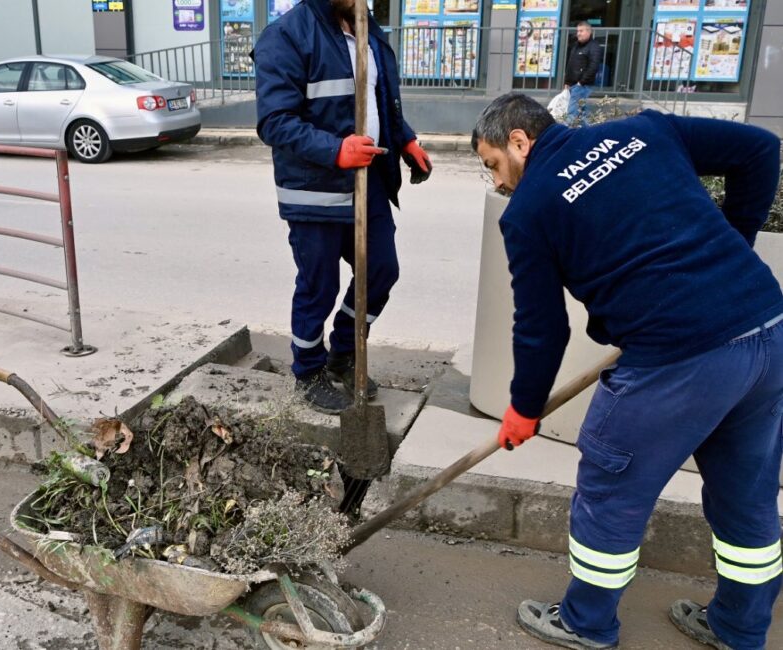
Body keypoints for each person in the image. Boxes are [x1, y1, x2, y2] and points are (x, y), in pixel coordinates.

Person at [473, 92, 782, 650]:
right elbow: (761, 150)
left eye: (493, 164)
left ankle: (587, 623)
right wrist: (734, 246)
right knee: (748, 495)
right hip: (766, 328)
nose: (497, 183)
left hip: (679, 357)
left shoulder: (530, 210)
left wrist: (522, 408)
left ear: (519, 141)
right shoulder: (645, 131)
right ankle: (739, 629)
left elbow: (542, 329)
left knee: (611, 487)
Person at [253, 0, 432, 414]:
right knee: (319, 286)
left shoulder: (368, 28)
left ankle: (345, 351)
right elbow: (275, 121)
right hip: (315, 191)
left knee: (381, 270)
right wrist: (336, 150)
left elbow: (379, 97)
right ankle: (308, 370)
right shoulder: (285, 36)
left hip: (368, 182)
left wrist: (405, 140)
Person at [564, 21, 601, 126]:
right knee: (582, 114)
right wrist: (567, 81)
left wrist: (581, 82)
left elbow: (593, 66)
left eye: (581, 31)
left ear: (589, 32)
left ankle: (567, 136)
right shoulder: (576, 46)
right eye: (577, 31)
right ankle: (590, 132)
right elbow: (570, 64)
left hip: (581, 86)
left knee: (571, 113)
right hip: (574, 85)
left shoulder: (594, 47)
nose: (578, 33)